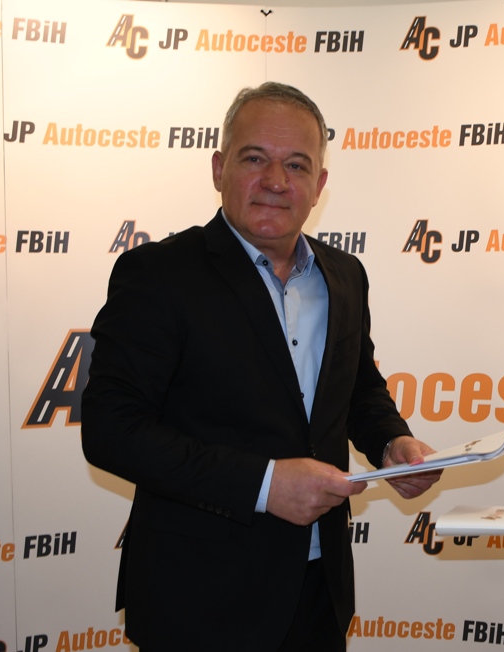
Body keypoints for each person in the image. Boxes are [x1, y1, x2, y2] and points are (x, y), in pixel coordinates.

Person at [82, 82, 441, 652]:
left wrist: (391, 442)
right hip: (198, 601)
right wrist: (264, 484)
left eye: (297, 165)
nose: (276, 181)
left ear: (319, 184)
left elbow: (357, 388)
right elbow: (112, 430)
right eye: (255, 159)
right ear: (219, 168)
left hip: (320, 594)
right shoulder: (158, 275)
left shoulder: (345, 275)